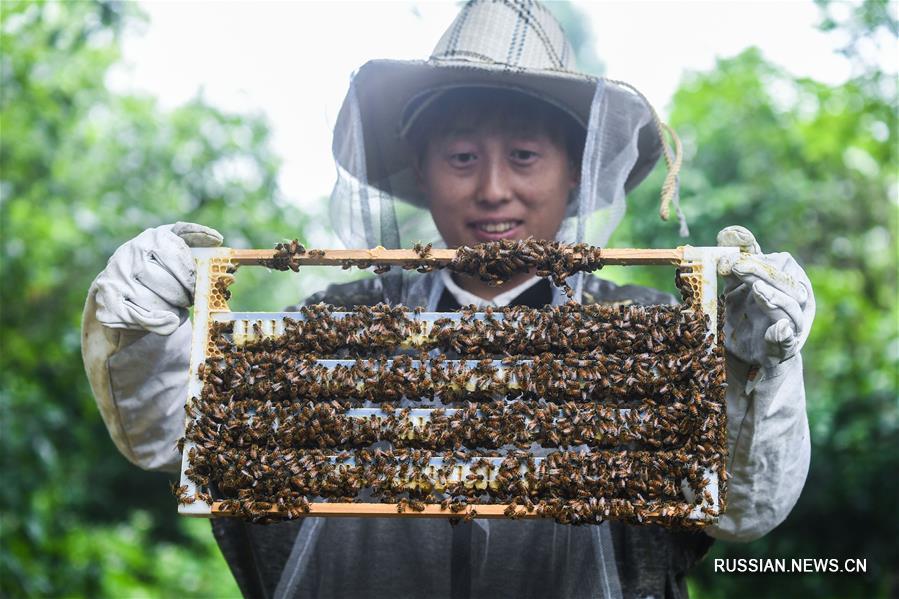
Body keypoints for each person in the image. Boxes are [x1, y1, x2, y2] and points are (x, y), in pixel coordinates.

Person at [81, 1, 815, 597]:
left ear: (573, 175)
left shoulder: (651, 332)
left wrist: (753, 367)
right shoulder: (333, 327)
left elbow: (745, 506)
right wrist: (143, 325)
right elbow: (165, 429)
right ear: (422, 173)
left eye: (524, 155)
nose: (492, 188)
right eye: (462, 157)